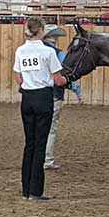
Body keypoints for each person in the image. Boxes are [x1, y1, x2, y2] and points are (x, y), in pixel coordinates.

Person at [13, 17, 67, 201]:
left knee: (29, 144)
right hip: (43, 98)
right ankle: (36, 191)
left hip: (27, 98)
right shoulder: (48, 52)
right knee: (40, 145)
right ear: (41, 30)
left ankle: (26, 190)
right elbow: (58, 79)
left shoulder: (20, 50)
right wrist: (66, 81)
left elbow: (19, 79)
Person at [43, 24, 83, 170]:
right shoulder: (58, 54)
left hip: (34, 94)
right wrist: (76, 90)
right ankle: (47, 159)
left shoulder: (31, 51)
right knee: (51, 129)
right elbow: (65, 75)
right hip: (54, 95)